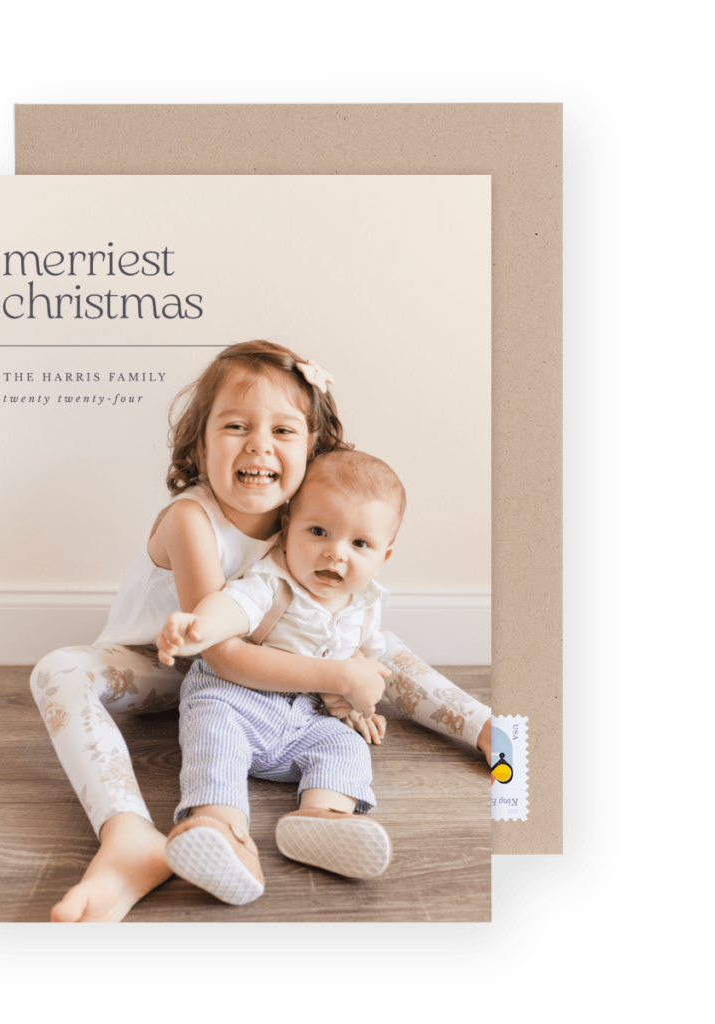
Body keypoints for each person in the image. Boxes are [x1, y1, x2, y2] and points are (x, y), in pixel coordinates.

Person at [29, 340, 492, 923]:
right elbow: (219, 654)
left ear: (313, 449)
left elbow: (340, 620)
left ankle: (489, 733)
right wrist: (338, 675)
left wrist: (348, 682)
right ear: (200, 444)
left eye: (283, 431)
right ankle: (128, 836)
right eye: (236, 425)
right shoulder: (192, 519)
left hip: (266, 675)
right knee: (58, 672)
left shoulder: (311, 521)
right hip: (165, 664)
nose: (259, 445)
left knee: (380, 645)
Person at [155, 450, 405, 905]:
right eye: (318, 532)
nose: (335, 552)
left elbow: (346, 667)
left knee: (345, 747)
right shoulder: (272, 580)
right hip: (238, 699)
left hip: (304, 719)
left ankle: (323, 817)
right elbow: (231, 607)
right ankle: (221, 826)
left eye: (360, 545)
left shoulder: (365, 607)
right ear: (288, 527)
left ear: (384, 556)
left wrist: (352, 710)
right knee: (215, 734)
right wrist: (199, 628)